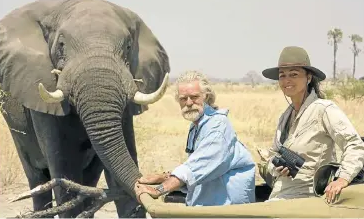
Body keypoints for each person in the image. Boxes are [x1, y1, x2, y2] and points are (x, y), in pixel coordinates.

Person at [258, 46, 364, 203]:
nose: (287, 80)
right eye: (282, 75)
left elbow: (354, 144)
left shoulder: (324, 109)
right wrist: (276, 167)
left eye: (294, 74)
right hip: (280, 192)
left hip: (306, 197)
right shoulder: (285, 116)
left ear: (308, 78)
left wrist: (342, 179)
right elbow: (274, 154)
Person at [134, 70, 256, 206]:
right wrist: (163, 177)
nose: (189, 103)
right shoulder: (197, 125)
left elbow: (197, 167)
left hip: (227, 210)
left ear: (206, 97)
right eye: (183, 99)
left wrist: (158, 189)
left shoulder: (218, 127)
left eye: (194, 97)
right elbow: (198, 170)